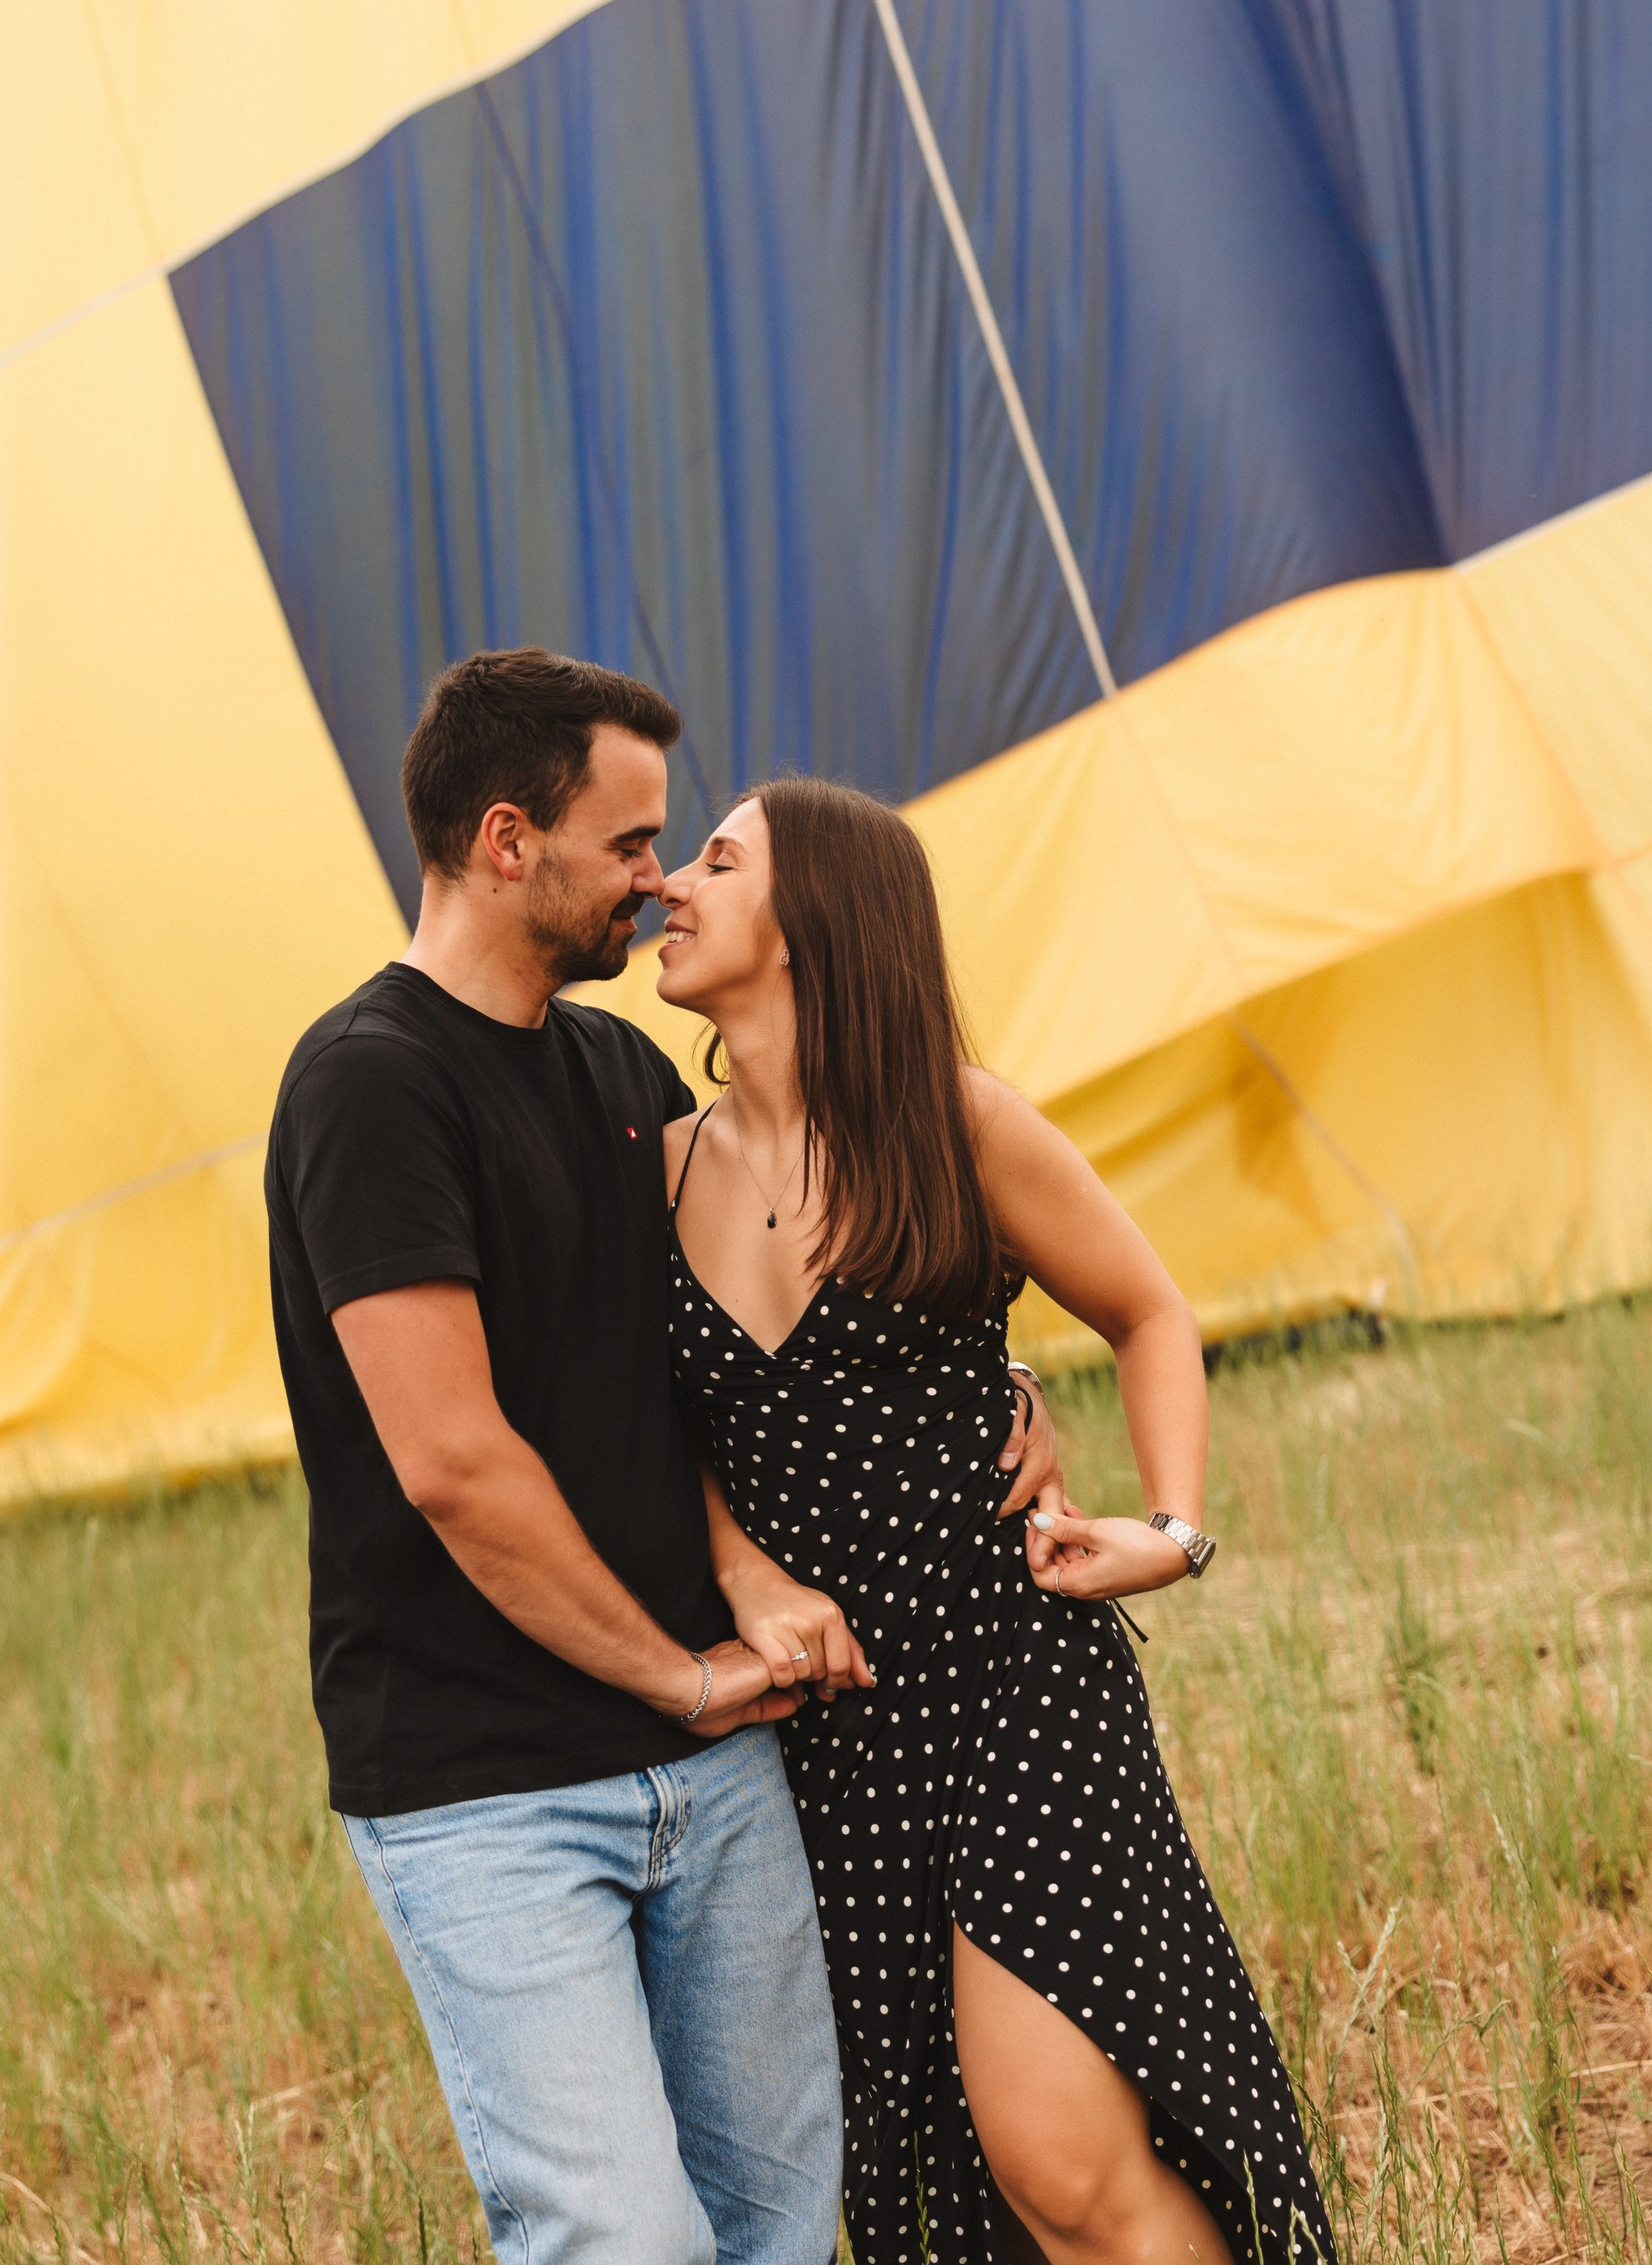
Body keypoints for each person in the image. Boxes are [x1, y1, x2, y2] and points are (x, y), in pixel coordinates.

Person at [264, 650, 1060, 2264]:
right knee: (622, 2238)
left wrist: (983, 1385)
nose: (655, 880)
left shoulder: (622, 1078)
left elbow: (722, 1369)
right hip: (488, 1789)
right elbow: (453, 1465)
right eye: (627, 846)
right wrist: (676, 1680)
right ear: (507, 841)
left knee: (772, 2223)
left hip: (711, 1775)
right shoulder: (370, 1086)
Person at [657, 778, 1339, 2265]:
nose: (672, 885)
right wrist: (737, 1556)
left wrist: (1175, 1527)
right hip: (832, 1747)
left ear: (811, 922)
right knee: (952, 2185)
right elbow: (652, 1427)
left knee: (1066, 2161)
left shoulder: (955, 1124)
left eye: (717, 860)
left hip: (1014, 1680)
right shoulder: (657, 1174)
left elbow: (1149, 1309)